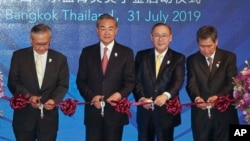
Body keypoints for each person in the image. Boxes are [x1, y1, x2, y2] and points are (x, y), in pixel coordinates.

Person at [76, 13, 135, 141]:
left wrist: (119, 95)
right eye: (103, 28)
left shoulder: (126, 53)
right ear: (97, 30)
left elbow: (130, 81)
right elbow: (81, 81)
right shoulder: (87, 52)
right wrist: (91, 97)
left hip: (115, 113)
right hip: (93, 114)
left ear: (116, 30)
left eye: (110, 28)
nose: (107, 32)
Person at [8, 23, 69, 141]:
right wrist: (29, 97)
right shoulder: (19, 56)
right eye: (38, 44)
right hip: (24, 118)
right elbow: (13, 82)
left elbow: (62, 85)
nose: (42, 47)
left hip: (48, 120)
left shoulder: (60, 59)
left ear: (50, 40)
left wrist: (54, 100)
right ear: (31, 40)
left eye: (45, 44)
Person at [133, 23, 185, 141]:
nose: (160, 39)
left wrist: (165, 96)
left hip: (166, 113)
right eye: (157, 35)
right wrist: (141, 99)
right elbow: (136, 80)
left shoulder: (178, 58)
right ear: (151, 37)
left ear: (170, 37)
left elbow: (177, 81)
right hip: (145, 113)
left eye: (164, 35)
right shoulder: (141, 56)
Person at [186, 25, 239, 141]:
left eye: (209, 46)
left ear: (216, 42)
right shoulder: (192, 60)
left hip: (225, 115)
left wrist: (218, 97)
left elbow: (232, 82)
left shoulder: (229, 58)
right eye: (202, 46)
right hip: (201, 116)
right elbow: (191, 83)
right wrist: (197, 98)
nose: (205, 50)